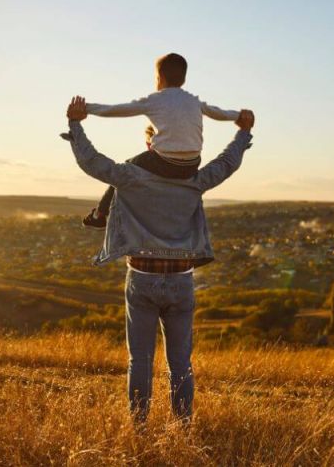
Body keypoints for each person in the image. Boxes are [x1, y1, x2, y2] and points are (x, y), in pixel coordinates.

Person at [61, 96, 254, 424]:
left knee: (140, 360)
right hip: (182, 279)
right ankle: (183, 427)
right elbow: (226, 163)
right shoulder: (195, 181)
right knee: (181, 363)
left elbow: (92, 162)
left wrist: (76, 124)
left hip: (142, 277)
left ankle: (138, 427)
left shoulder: (131, 177)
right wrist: (242, 132)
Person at [81, 53, 252, 228]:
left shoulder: (154, 100)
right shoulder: (194, 101)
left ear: (160, 77)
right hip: (191, 165)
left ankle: (100, 214)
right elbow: (218, 113)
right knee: (140, 163)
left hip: (164, 162)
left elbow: (116, 110)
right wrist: (239, 116)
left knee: (125, 169)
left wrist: (87, 109)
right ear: (183, 79)